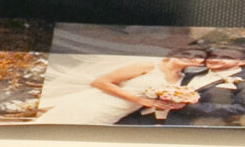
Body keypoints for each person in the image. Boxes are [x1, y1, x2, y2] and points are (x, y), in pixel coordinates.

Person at [32, 49, 210, 127]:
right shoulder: (148, 65)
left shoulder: (181, 79)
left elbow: (163, 99)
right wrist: (139, 100)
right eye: (188, 53)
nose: (191, 57)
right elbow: (100, 82)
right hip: (97, 104)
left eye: (198, 57)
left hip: (117, 113)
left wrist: (178, 103)